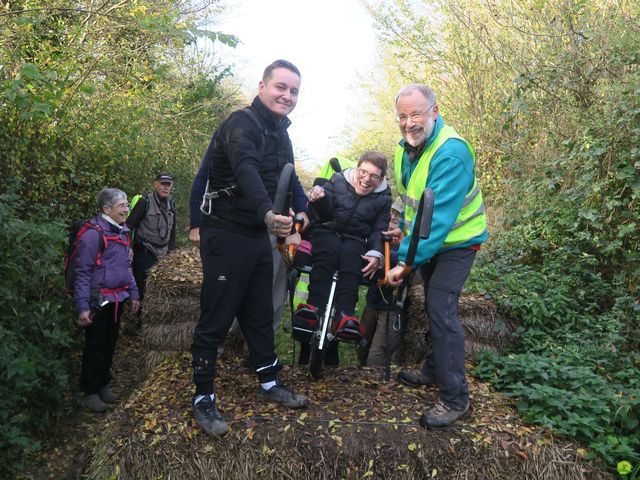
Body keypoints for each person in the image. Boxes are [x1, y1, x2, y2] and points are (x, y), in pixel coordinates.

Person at [190, 59, 309, 437]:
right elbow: (246, 171)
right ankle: (203, 396)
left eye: (293, 91)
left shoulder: (281, 132)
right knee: (218, 316)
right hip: (226, 232)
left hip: (257, 236)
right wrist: (268, 215)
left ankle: (270, 382)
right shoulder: (240, 124)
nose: (287, 96)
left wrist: (302, 211)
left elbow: (290, 177)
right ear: (262, 86)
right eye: (281, 87)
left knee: (259, 312)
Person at [385, 84, 488, 429]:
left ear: (435, 111)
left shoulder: (451, 153)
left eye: (416, 114)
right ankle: (432, 367)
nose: (409, 122)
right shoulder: (407, 147)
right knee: (430, 303)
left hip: (457, 242)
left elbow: (438, 220)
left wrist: (405, 262)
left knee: (441, 311)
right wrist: (400, 225)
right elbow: (411, 196)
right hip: (429, 241)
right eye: (402, 116)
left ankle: (455, 398)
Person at [295, 151, 391, 348]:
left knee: (353, 260)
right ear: (357, 169)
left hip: (356, 238)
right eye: (363, 172)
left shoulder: (383, 198)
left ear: (381, 179)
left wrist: (376, 253)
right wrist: (319, 199)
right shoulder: (338, 180)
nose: (366, 179)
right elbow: (323, 215)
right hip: (327, 229)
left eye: (374, 176)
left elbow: (378, 230)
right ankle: (314, 307)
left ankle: (345, 315)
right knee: (326, 256)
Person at [74, 188, 140, 412]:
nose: (126, 209)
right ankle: (89, 391)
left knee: (110, 343)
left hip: (117, 298)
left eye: (126, 204)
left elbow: (126, 266)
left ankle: (102, 384)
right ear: (106, 209)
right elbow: (82, 272)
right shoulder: (94, 234)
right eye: (122, 205)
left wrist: (134, 294)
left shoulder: (122, 232)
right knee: (95, 345)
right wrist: (82, 307)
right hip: (98, 300)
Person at [357, 198, 405, 367]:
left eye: (398, 214)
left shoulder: (408, 244)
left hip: (393, 307)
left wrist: (385, 255)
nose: (392, 217)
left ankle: (376, 391)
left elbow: (409, 268)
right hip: (373, 301)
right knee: (361, 345)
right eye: (392, 212)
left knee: (376, 357)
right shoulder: (378, 237)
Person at [126, 172, 176, 305]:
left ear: (172, 187)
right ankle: (141, 321)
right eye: (162, 184)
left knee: (160, 289)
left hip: (163, 253)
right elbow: (129, 225)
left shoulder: (171, 203)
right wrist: (128, 247)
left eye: (168, 185)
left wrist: (171, 252)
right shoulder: (144, 201)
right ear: (155, 184)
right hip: (145, 251)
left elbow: (172, 230)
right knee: (144, 288)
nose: (165, 188)